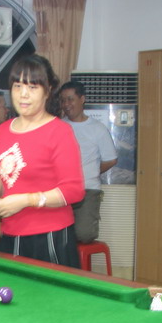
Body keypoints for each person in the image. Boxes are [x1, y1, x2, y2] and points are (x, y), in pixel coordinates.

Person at [0, 55, 85, 267]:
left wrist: (25, 200)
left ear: (47, 90)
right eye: (17, 86)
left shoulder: (59, 131)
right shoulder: (3, 130)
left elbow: (74, 191)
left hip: (50, 237)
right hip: (10, 234)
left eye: (32, 87)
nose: (23, 94)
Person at [59, 81, 118, 244]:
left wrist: (90, 171)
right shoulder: (58, 126)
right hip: (61, 190)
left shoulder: (97, 128)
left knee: (84, 234)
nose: (66, 104)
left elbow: (111, 159)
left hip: (88, 189)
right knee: (55, 234)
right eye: (63, 100)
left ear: (82, 99)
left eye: (70, 99)